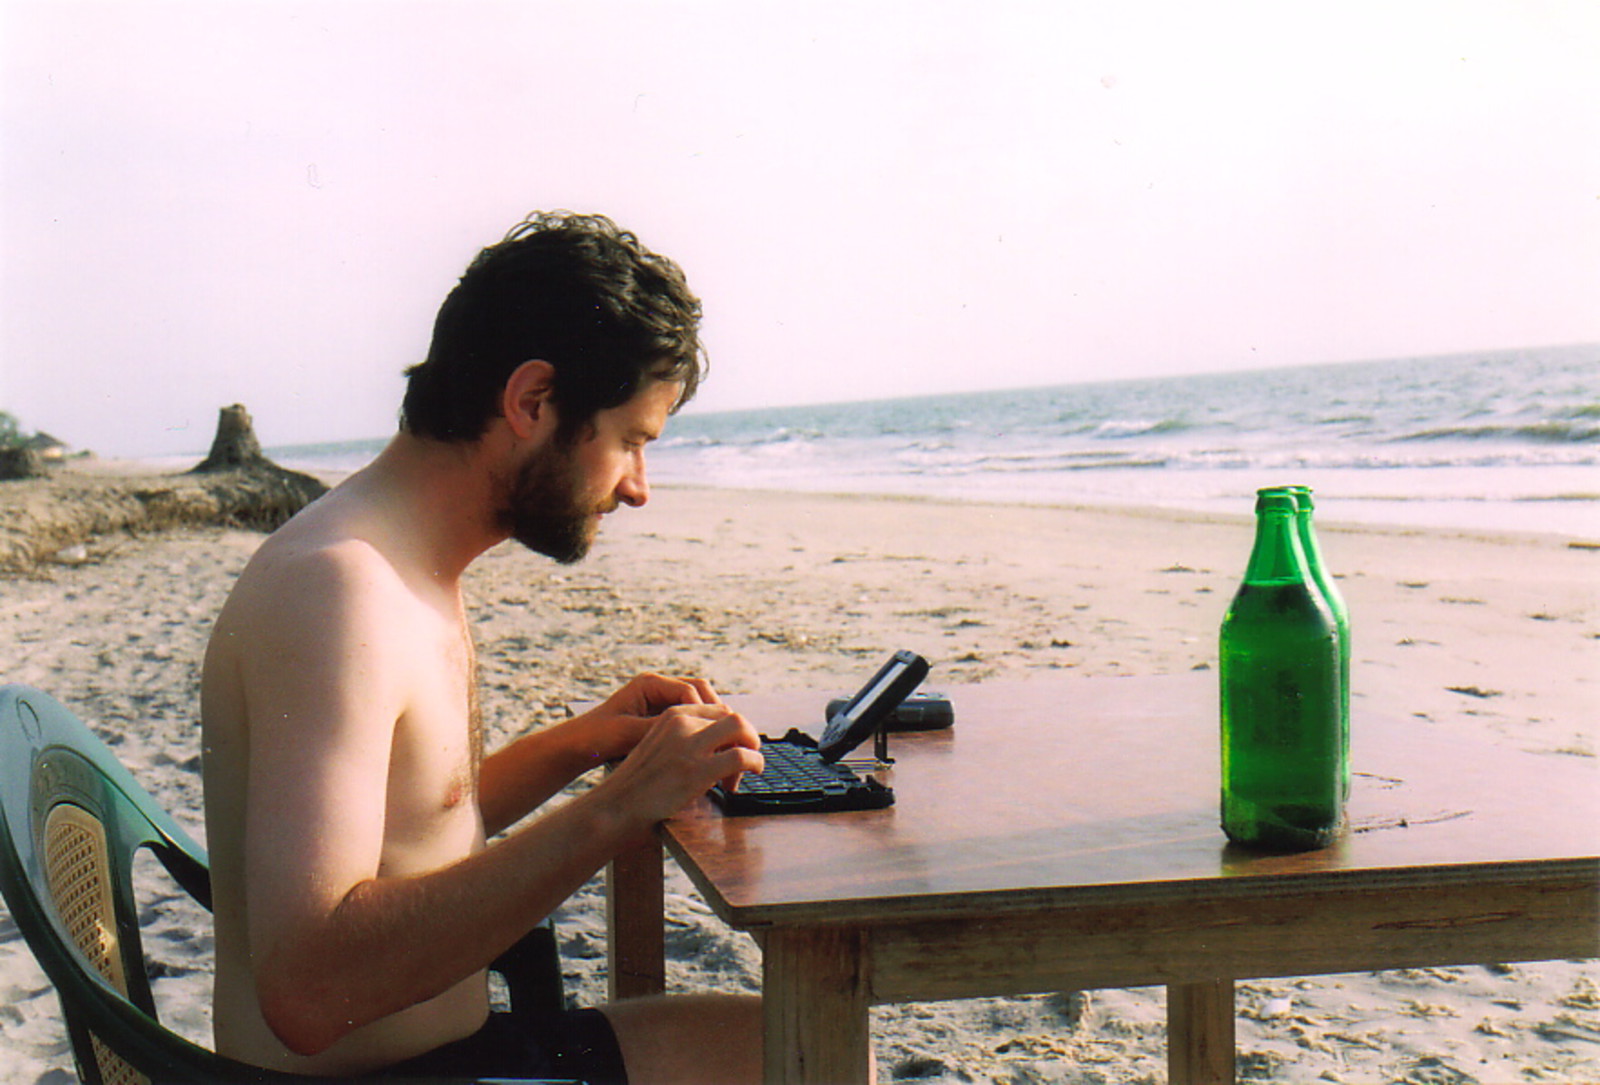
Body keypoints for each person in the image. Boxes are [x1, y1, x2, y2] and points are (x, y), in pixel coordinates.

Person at [201, 212, 766, 1083]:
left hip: (443, 1056)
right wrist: (618, 807)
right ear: (533, 402)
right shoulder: (341, 592)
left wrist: (586, 744)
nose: (637, 488)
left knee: (795, 1040)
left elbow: (411, 833)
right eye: (631, 441)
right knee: (815, 1051)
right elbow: (308, 989)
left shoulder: (402, 561)